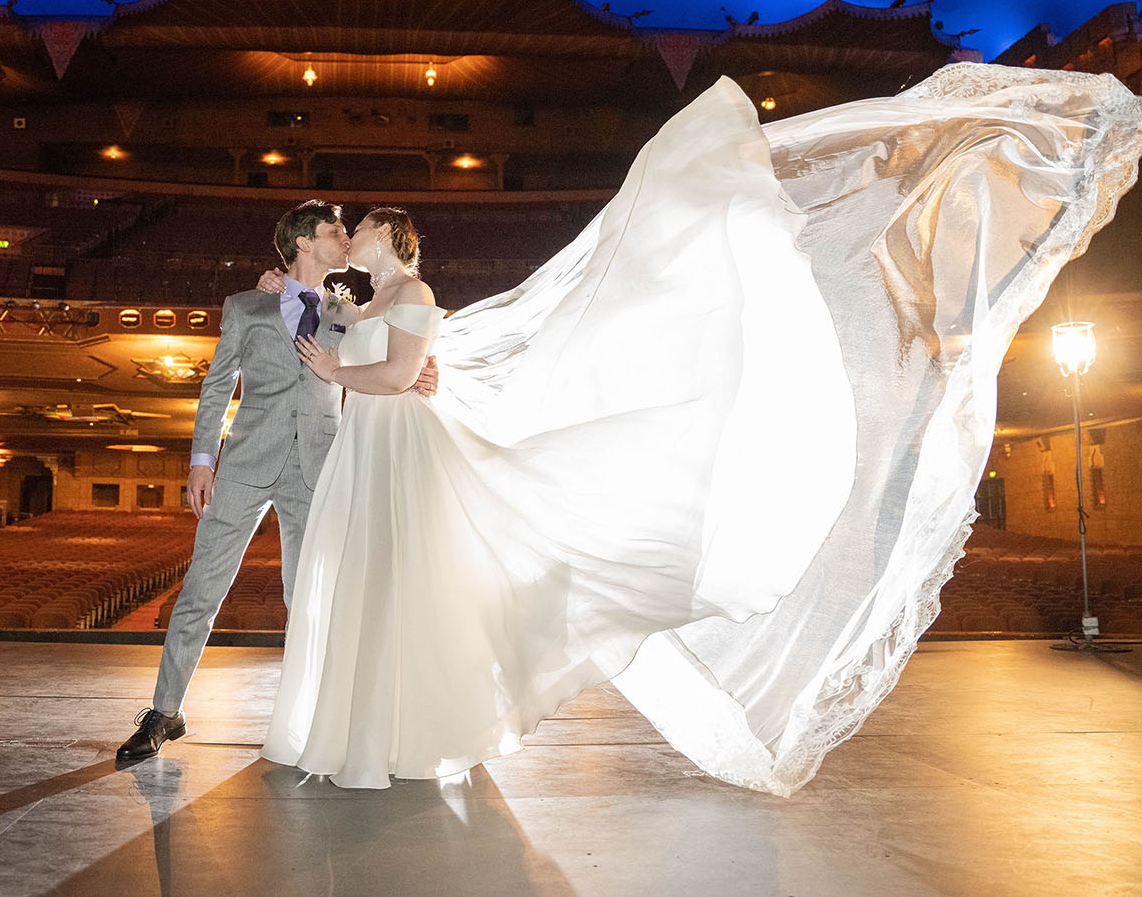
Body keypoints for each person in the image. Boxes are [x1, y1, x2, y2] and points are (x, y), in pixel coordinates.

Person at [252, 63, 1142, 793]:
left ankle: (396, 731)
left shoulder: (415, 297)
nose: (352, 228)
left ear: (392, 241)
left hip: (392, 451)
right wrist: (303, 323)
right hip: (368, 449)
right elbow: (350, 355)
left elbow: (400, 373)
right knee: (369, 582)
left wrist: (347, 370)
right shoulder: (352, 299)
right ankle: (356, 721)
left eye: (361, 224)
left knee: (401, 581)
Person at [116, 200, 437, 762]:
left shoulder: (349, 310)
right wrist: (200, 460)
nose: (345, 238)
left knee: (308, 597)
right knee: (200, 592)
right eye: (335, 231)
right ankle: (164, 713)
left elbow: (391, 358)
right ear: (304, 243)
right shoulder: (247, 306)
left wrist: (423, 374)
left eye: (348, 231)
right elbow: (217, 387)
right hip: (243, 465)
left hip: (321, 466)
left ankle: (316, 719)